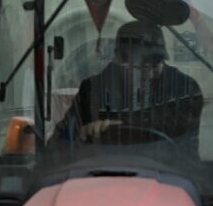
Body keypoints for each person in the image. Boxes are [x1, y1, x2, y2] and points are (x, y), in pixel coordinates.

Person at [52, 20, 204, 153]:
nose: (149, 73)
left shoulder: (185, 89)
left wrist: (116, 127)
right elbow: (59, 142)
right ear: (119, 59)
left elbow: (181, 138)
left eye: (156, 63)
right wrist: (81, 134)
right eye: (139, 65)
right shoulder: (92, 89)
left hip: (171, 175)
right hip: (101, 174)